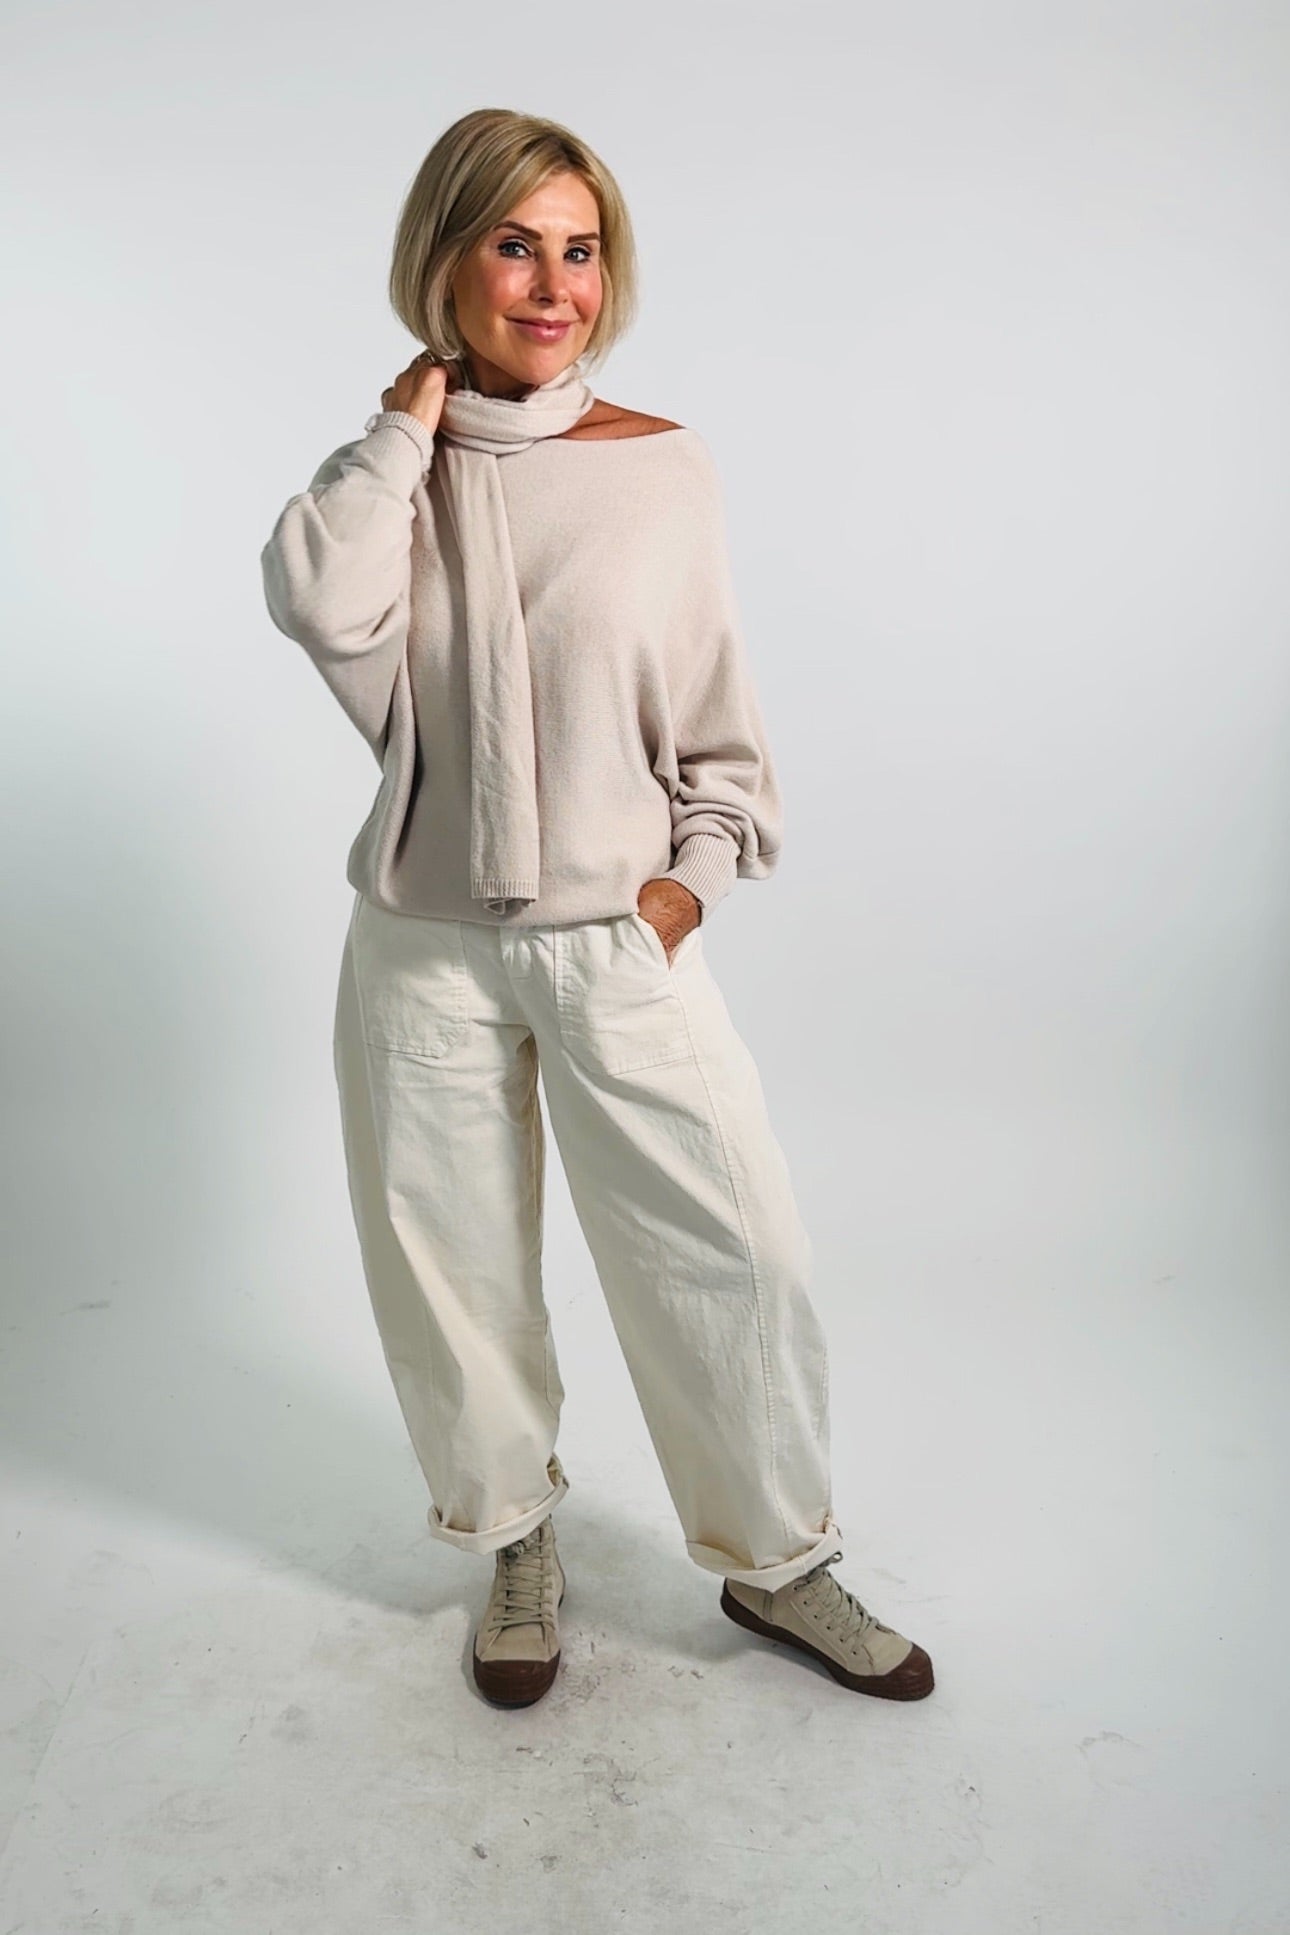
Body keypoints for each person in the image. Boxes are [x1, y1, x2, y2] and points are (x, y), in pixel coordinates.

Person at [260, 106, 934, 1710]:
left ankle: (778, 1562)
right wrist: (402, 432)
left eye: (581, 249)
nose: (554, 284)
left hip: (613, 938)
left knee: (731, 1248)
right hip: (423, 940)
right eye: (513, 244)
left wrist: (682, 889)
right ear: (444, 261)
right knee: (450, 1269)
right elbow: (316, 603)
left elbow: (714, 720)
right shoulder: (385, 479)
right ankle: (512, 1542)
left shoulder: (658, 467)